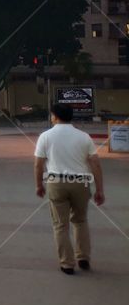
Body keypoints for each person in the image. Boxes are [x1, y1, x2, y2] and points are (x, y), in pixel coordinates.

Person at [34, 103, 105, 274]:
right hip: (81, 183)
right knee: (80, 221)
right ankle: (83, 258)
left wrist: (39, 185)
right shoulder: (84, 137)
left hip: (56, 182)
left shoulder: (45, 136)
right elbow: (95, 162)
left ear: (55, 116)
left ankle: (67, 263)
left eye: (52, 115)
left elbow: (38, 165)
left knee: (60, 225)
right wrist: (99, 189)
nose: (51, 118)